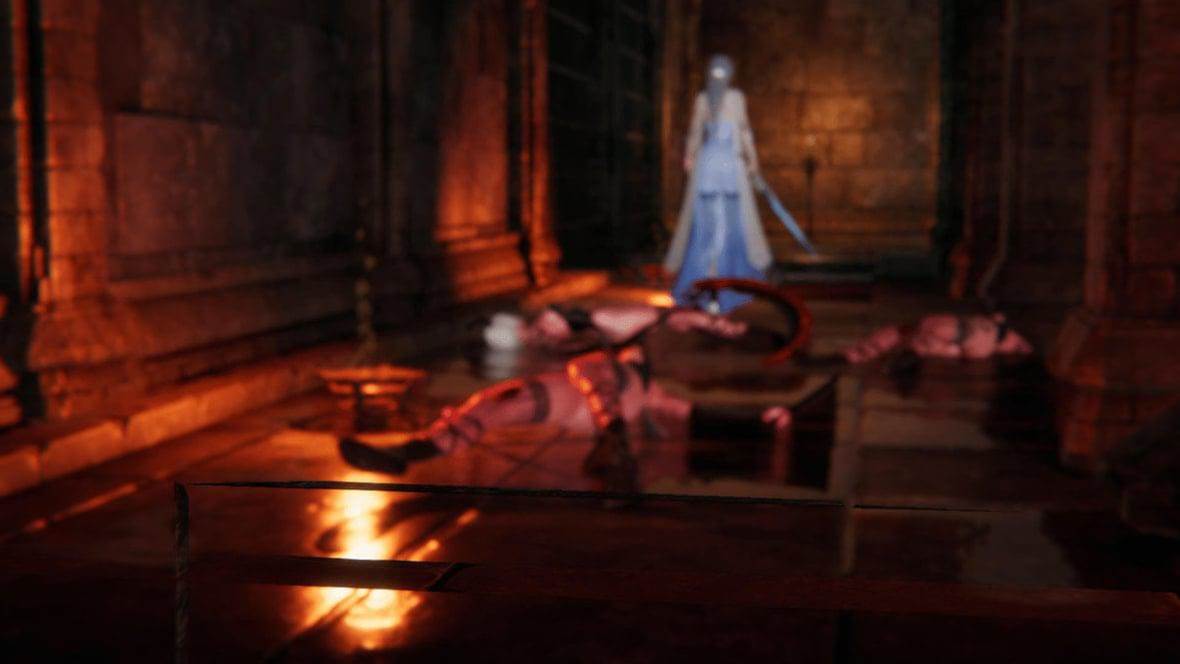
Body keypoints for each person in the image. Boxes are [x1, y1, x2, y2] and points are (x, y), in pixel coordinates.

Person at [339, 301, 794, 489]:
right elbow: (692, 409)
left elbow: (692, 408)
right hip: (568, 397)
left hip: (606, 398)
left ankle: (613, 444)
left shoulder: (627, 356)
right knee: (493, 406)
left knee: (587, 371)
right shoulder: (599, 349)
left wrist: (759, 416)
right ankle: (408, 452)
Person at [664, 54, 773, 314]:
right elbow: (744, 131)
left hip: (711, 165)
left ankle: (708, 283)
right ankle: (719, 284)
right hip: (726, 166)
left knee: (711, 224)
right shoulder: (732, 98)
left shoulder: (704, 98)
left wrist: (690, 157)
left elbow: (695, 133)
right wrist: (752, 160)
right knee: (723, 223)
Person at [843, 312, 1034, 364]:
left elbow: (999, 318)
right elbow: (958, 352)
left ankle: (859, 352)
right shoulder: (984, 348)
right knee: (911, 343)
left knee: (902, 333)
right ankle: (863, 354)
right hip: (950, 335)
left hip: (940, 322)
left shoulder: (990, 323)